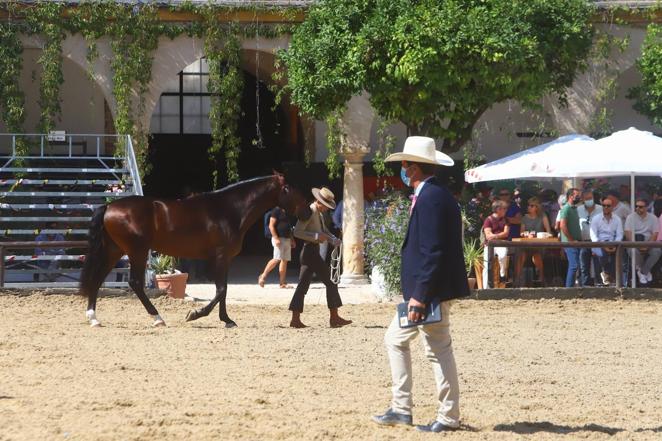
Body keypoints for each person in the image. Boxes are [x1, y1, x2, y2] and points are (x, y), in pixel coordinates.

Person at [372, 136, 469, 433]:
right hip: (431, 289)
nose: (402, 169)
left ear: (413, 168)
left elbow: (433, 251)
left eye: (405, 165)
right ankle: (409, 409)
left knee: (427, 346)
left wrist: (420, 295)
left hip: (429, 291)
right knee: (418, 344)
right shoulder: (435, 195)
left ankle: (434, 413)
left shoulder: (430, 198)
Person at [289, 187, 351, 328]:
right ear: (319, 201)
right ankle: (334, 318)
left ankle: (295, 319)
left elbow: (323, 231)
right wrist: (317, 237)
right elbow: (297, 232)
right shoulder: (310, 211)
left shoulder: (319, 213)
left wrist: (332, 239)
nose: (327, 208)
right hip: (310, 252)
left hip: (311, 252)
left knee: (302, 286)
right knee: (330, 282)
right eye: (326, 205)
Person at [516, 197, 552, 284]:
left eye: (532, 205)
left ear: (537, 207)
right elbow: (521, 233)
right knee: (521, 255)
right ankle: (518, 278)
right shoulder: (524, 218)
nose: (529, 207)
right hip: (526, 244)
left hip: (539, 244)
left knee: (537, 255)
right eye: (528, 205)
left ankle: (541, 277)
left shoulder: (542, 216)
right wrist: (526, 234)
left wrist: (544, 235)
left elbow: (549, 232)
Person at [624, 198, 660, 285]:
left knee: (657, 251)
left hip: (648, 242)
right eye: (636, 206)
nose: (637, 208)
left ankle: (643, 272)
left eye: (640, 207)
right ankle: (644, 272)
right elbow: (628, 233)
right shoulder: (630, 217)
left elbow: (655, 234)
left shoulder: (653, 218)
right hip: (634, 242)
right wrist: (637, 245)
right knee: (632, 251)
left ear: (646, 207)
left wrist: (647, 246)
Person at [258, 206, 296, 288]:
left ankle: (282, 283)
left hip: (287, 239)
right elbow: (271, 225)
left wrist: (292, 239)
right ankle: (263, 276)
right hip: (278, 239)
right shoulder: (276, 210)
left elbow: (289, 228)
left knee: (284, 260)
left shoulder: (288, 211)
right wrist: (276, 238)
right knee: (276, 259)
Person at [590, 196, 623, 285]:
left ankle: (611, 278)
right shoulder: (596, 218)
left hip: (612, 243)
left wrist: (614, 245)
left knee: (618, 255)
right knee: (601, 253)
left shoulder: (617, 219)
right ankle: (606, 274)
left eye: (608, 206)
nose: (606, 207)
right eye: (604, 205)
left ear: (612, 207)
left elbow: (619, 235)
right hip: (599, 243)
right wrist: (604, 246)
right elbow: (593, 236)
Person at [576, 189, 602, 286]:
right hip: (584, 242)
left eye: (590, 198)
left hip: (598, 242)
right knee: (584, 267)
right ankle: (585, 287)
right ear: (583, 199)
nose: (589, 200)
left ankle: (600, 286)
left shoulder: (601, 209)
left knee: (598, 266)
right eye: (587, 199)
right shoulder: (578, 210)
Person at [482, 200, 511, 286]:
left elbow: (506, 233)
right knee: (487, 265)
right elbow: (487, 235)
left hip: (501, 244)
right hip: (490, 245)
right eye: (504, 208)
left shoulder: (506, 220)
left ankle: (502, 275)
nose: (506, 210)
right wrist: (498, 235)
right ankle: (485, 288)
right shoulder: (488, 220)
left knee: (503, 255)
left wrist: (494, 236)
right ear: (498, 209)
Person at [559, 188, 582, 287]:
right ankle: (568, 289)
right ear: (570, 196)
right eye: (577, 195)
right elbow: (562, 225)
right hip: (570, 242)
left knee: (577, 265)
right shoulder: (566, 208)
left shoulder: (575, 208)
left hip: (576, 241)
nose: (579, 197)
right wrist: (571, 240)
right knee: (574, 265)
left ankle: (573, 287)